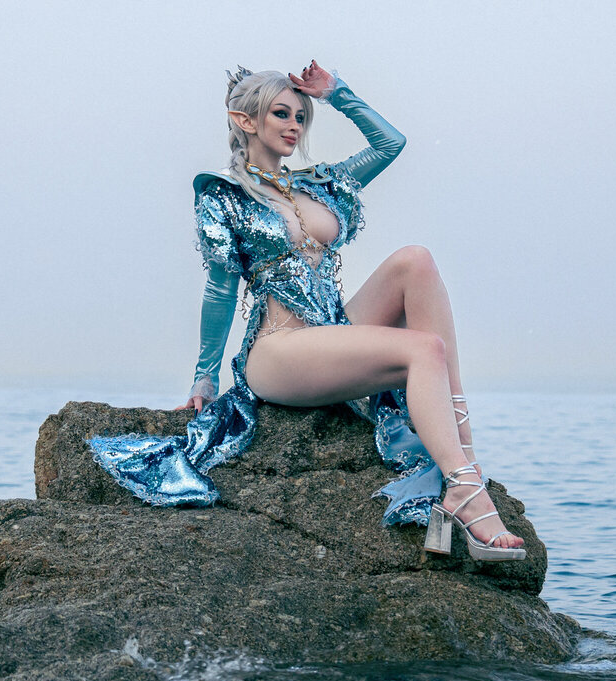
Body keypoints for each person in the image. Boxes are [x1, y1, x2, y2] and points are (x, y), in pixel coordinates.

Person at [87, 62, 524, 560]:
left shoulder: (318, 185)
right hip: (279, 352)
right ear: (245, 121)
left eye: (300, 115)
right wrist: (204, 379)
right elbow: (220, 290)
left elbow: (390, 144)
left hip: (332, 333)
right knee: (425, 349)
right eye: (281, 114)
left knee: (416, 261)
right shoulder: (224, 196)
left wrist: (337, 93)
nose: (295, 125)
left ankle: (464, 463)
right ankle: (465, 488)